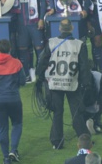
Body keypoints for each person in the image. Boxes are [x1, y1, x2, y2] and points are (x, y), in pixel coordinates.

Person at [36, 19, 92, 149]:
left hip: (55, 83)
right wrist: (86, 84)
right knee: (77, 113)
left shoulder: (51, 42)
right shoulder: (79, 44)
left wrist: (39, 77)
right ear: (72, 29)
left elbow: (43, 61)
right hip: (72, 83)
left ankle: (57, 142)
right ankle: (84, 140)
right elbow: (84, 67)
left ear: (60, 29)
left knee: (57, 113)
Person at [0, 39, 26, 164]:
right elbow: (23, 81)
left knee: (2, 128)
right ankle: (13, 150)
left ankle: (5, 158)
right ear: (10, 49)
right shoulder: (16, 63)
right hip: (13, 99)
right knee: (17, 124)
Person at [12, 0, 46, 82]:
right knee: (23, 49)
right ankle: (27, 73)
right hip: (20, 22)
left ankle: (42, 74)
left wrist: (41, 18)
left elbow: (42, 1)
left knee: (39, 48)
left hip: (34, 21)